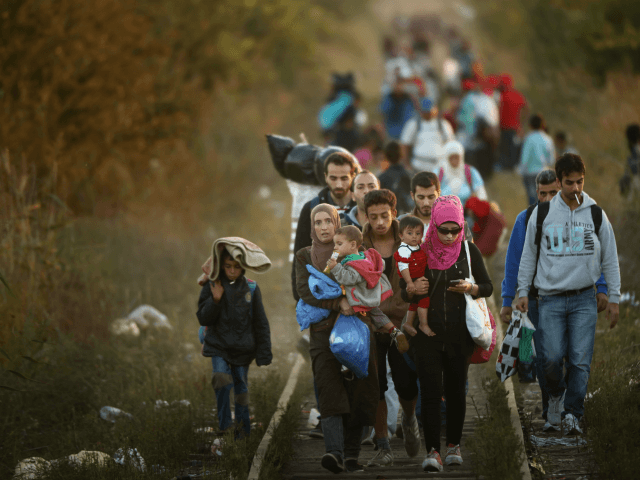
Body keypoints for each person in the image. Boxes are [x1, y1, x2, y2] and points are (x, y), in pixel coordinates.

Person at [515, 154, 621, 434]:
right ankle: (551, 392)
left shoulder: (595, 212)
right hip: (548, 298)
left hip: (583, 299)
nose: (575, 188)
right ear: (560, 181)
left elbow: (610, 257)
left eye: (580, 182)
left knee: (579, 359)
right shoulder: (541, 214)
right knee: (548, 357)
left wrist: (614, 296)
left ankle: (572, 413)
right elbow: (525, 256)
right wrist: (519, 292)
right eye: (569, 183)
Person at [402, 195, 493, 472]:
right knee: (429, 392)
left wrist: (471, 287)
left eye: (456, 229)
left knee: (455, 392)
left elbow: (488, 287)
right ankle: (432, 452)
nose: (451, 235)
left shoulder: (469, 252)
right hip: (426, 336)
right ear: (435, 225)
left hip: (459, 336)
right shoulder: (421, 251)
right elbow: (404, 285)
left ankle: (453, 445)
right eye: (444, 230)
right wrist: (412, 288)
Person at [295, 204, 379, 473]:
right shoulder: (304, 256)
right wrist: (338, 303)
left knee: (359, 393)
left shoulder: (355, 253)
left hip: (356, 331)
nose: (323, 228)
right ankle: (334, 453)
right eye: (317, 222)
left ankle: (352, 455)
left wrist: (350, 302)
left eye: (328, 222)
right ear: (312, 226)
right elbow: (303, 292)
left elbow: (369, 284)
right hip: (321, 334)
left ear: (336, 224)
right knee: (329, 392)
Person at [361, 189, 420, 466]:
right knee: (376, 384)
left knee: (406, 382)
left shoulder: (408, 238)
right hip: (370, 324)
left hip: (401, 321)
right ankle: (383, 444)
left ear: (394, 213)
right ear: (366, 217)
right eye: (374, 217)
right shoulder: (358, 244)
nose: (380, 222)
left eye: (385, 216)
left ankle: (409, 419)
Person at [196, 249, 273, 439]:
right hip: (218, 345)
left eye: (236, 267)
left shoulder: (251, 288)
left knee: (242, 389)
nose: (232, 271)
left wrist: (264, 351)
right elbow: (203, 318)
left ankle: (242, 431)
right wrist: (215, 299)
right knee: (221, 379)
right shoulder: (212, 285)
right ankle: (225, 426)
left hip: (243, 348)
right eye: (228, 266)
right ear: (222, 266)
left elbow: (260, 322)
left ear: (243, 267)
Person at [327, 225, 409, 353]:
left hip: (359, 300)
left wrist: (335, 268)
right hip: (369, 298)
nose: (335, 247)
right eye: (334, 244)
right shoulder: (364, 258)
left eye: (339, 243)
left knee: (341, 320)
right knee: (377, 314)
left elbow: (349, 278)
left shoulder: (355, 264)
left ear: (353, 245)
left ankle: (342, 350)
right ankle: (394, 331)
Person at [292, 151, 359, 301]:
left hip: (356, 291)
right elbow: (299, 253)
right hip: (319, 291)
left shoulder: (361, 209)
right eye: (333, 178)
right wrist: (300, 298)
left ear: (353, 176)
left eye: (344, 178)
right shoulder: (311, 208)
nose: (339, 184)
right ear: (325, 176)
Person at [394, 216, 432, 336]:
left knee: (414, 303)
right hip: (409, 279)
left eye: (417, 233)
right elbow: (403, 267)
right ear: (401, 236)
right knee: (423, 300)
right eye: (410, 233)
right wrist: (410, 283)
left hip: (416, 277)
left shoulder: (417, 247)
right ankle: (423, 324)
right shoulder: (404, 249)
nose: (414, 236)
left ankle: (408, 323)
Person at [400, 97, 455, 173]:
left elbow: (452, 146)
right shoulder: (413, 124)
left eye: (430, 110)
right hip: (418, 166)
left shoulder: (444, 125)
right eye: (425, 111)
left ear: (436, 109)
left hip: (439, 166)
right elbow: (404, 145)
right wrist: (406, 164)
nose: (428, 113)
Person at [519, 114, 555, 205]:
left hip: (530, 173)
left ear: (530, 125)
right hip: (543, 172)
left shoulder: (528, 138)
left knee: (532, 200)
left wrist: (521, 171)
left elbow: (524, 158)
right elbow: (551, 160)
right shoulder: (547, 139)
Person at [438, 140, 487, 207]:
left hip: (466, 212)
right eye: (452, 158)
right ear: (446, 158)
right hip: (443, 211)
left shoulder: (471, 172)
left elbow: (481, 192)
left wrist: (480, 206)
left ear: (461, 157)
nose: (454, 161)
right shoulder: (438, 173)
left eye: (457, 157)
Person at [497, 73, 527, 170]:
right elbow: (526, 108)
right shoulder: (518, 95)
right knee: (513, 148)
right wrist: (522, 124)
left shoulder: (501, 96)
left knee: (505, 147)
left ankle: (506, 166)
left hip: (504, 128)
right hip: (515, 127)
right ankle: (513, 165)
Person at [378, 141, 413, 214]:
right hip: (406, 215)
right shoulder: (409, 175)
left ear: (385, 156)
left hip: (389, 215)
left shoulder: (381, 178)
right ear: (401, 155)